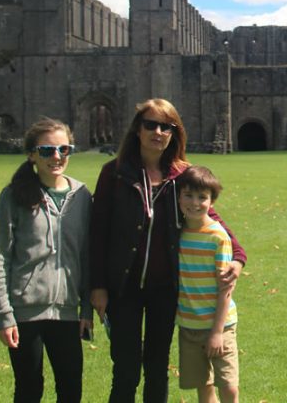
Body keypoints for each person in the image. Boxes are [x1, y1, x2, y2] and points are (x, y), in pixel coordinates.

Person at [89, 99, 247, 403]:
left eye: (166, 127)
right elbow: (98, 232)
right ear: (138, 129)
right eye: (151, 124)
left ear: (175, 133)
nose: (158, 132)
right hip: (123, 286)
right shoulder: (115, 172)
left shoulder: (181, 175)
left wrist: (238, 258)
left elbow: (214, 219)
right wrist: (98, 286)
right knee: (125, 368)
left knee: (157, 367)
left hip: (165, 288)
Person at [0, 118, 93, 402]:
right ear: (32, 154)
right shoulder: (13, 196)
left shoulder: (82, 196)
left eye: (63, 149)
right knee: (29, 390)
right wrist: (3, 316)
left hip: (68, 312)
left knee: (71, 390)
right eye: (46, 151)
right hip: (25, 312)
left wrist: (86, 310)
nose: (56, 157)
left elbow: (86, 255)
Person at [176, 166, 240, 403]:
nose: (195, 203)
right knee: (203, 385)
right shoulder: (177, 233)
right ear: (179, 197)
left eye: (202, 197)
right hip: (189, 324)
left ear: (212, 201)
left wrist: (216, 332)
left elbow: (225, 288)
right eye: (188, 195)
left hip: (220, 326)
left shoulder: (218, 237)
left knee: (229, 385)